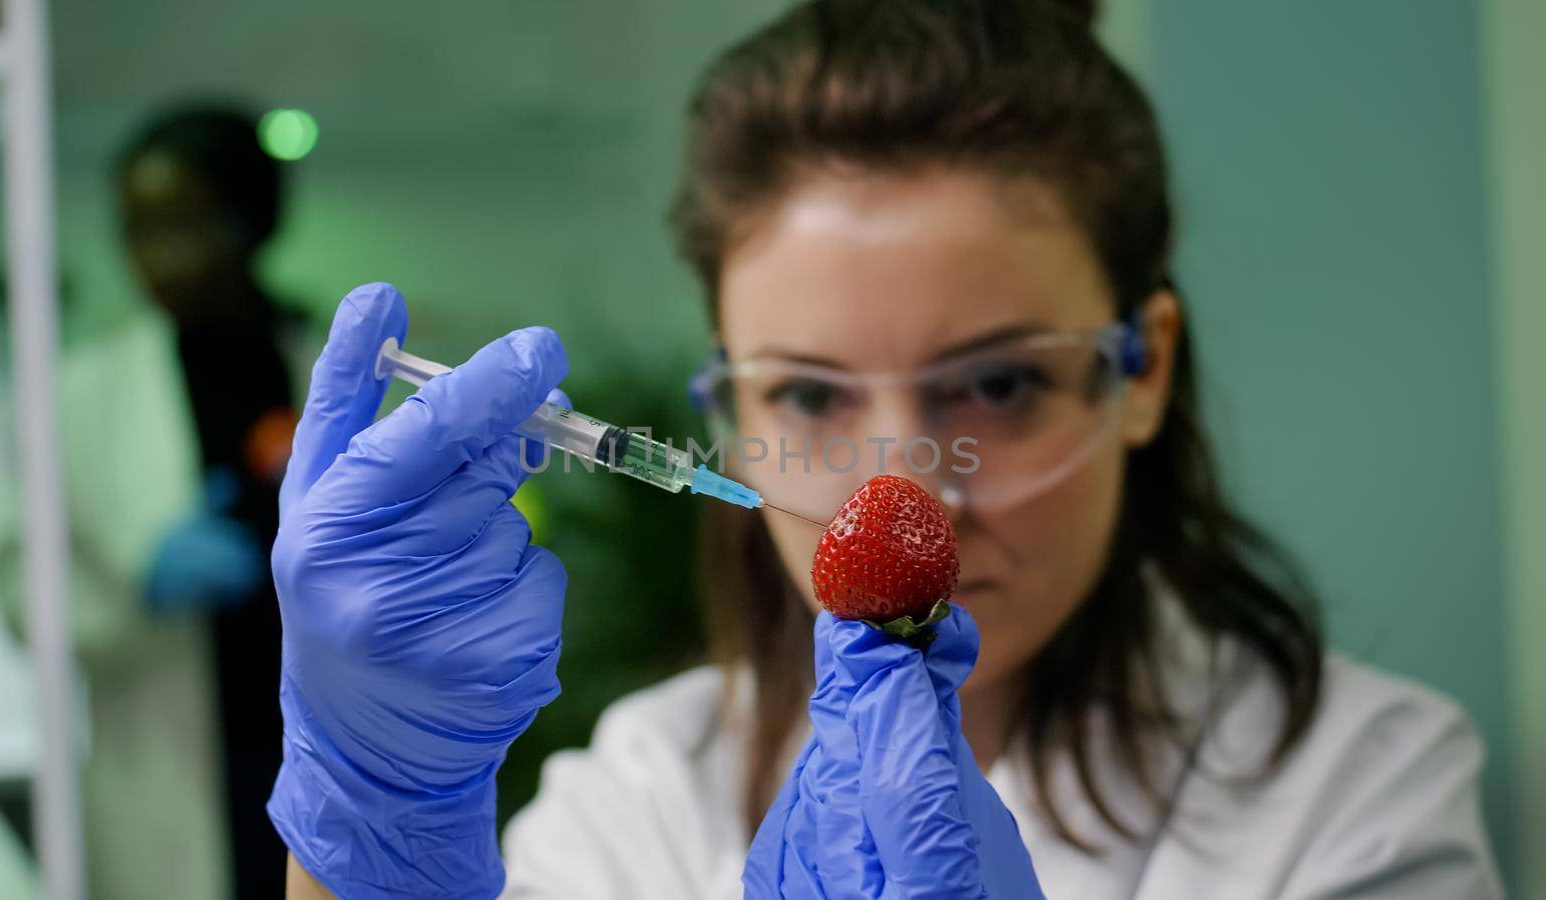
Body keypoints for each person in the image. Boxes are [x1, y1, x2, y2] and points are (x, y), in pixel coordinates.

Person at [269, 2, 1502, 897]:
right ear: (726, 408)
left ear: (1144, 368)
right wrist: (370, 835)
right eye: (808, 393)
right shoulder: (639, 796)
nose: (897, 489)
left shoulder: (1360, 795)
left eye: (1001, 381)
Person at [116, 105, 298, 896]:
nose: (159, 259)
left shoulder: (317, 355)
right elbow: (23, 577)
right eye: (139, 231)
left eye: (185, 227)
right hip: (172, 746)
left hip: (308, 719)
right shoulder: (89, 391)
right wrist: (131, 587)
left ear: (251, 221)